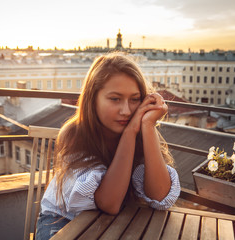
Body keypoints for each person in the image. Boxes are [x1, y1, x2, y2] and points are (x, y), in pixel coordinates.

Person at [36, 52, 181, 239]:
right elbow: (109, 203)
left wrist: (148, 125)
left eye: (135, 99)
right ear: (93, 99)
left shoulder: (142, 130)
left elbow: (160, 197)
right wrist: (129, 134)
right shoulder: (75, 135)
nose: (126, 110)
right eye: (115, 99)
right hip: (63, 222)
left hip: (112, 224)